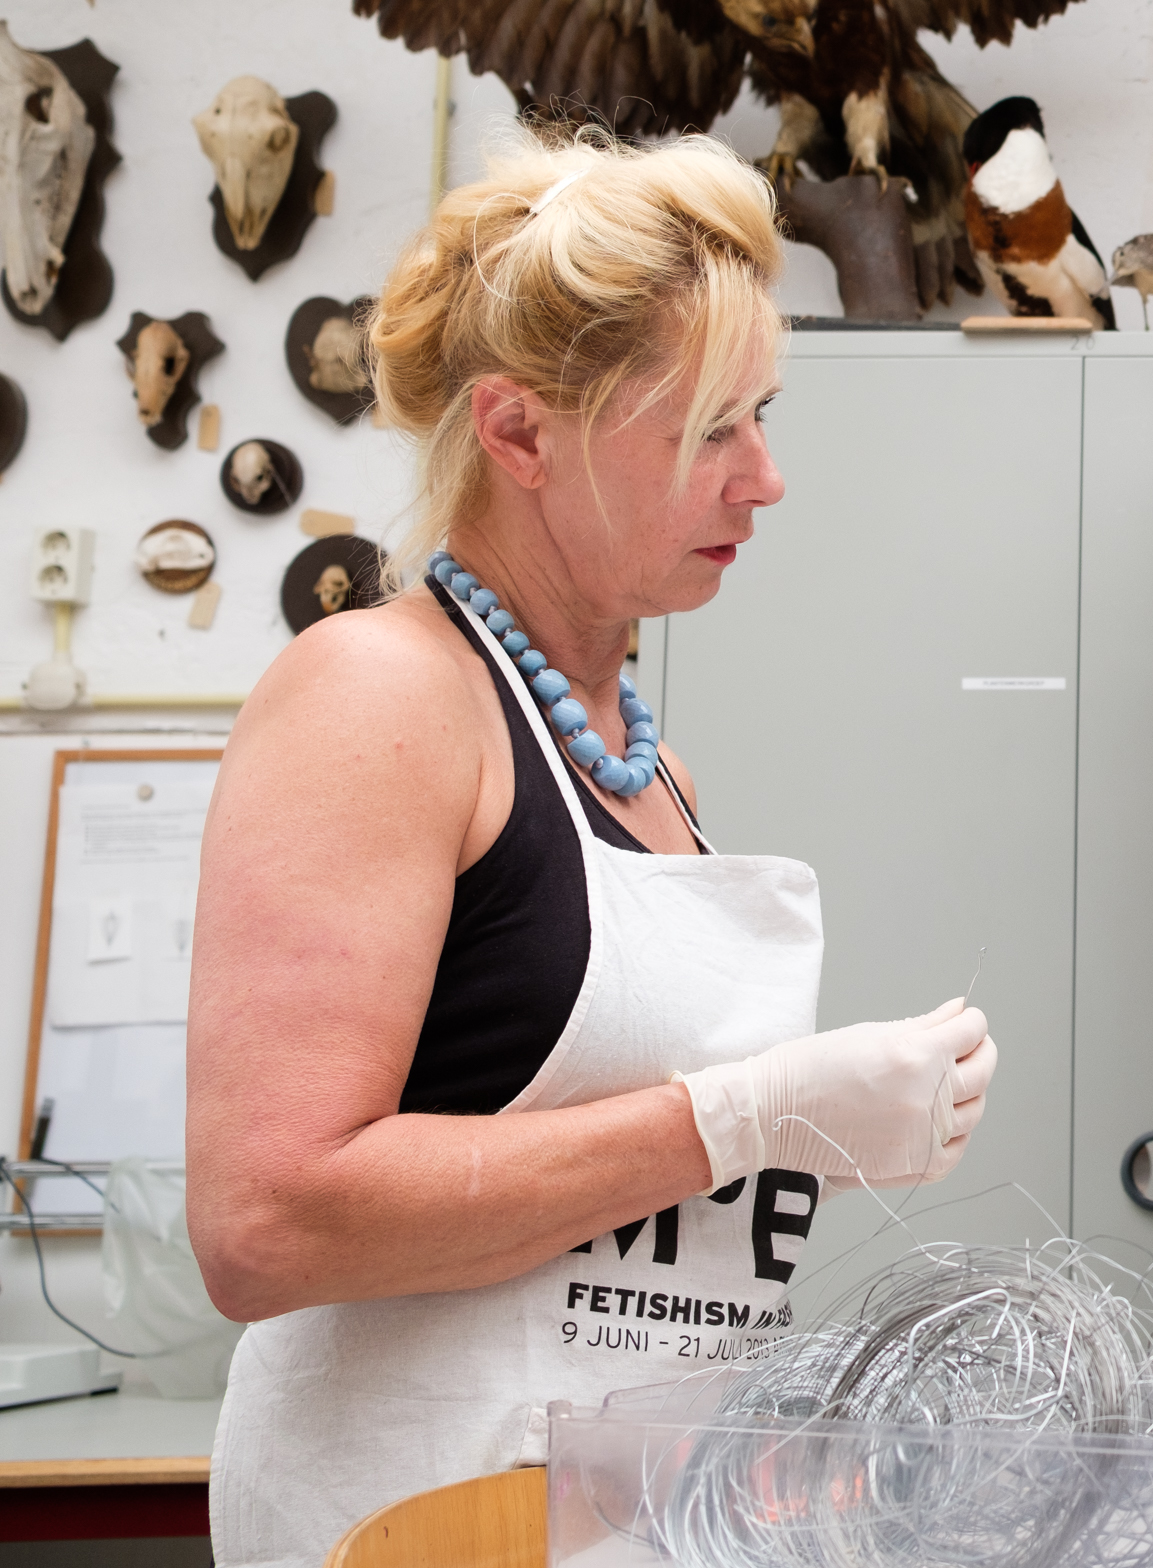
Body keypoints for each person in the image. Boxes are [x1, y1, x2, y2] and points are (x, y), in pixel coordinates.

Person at [188, 136, 1000, 1566]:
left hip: (634, 1519)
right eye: (708, 433)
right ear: (517, 435)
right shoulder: (379, 698)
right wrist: (742, 1120)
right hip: (425, 1522)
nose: (766, 481)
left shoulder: (644, 765)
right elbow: (266, 1222)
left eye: (765, 415)